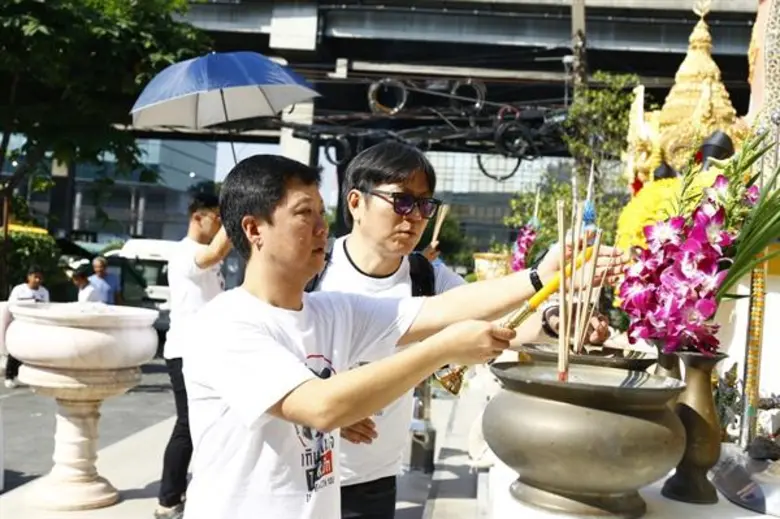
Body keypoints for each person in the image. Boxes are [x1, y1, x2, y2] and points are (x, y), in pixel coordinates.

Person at [179, 154, 624, 519]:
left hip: (361, 485)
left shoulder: (334, 311)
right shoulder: (225, 324)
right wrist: (440, 349)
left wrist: (543, 275)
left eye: (319, 212)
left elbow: (443, 309)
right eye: (303, 214)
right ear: (254, 229)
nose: (320, 227)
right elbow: (321, 406)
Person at [306, 141, 611, 518]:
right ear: (356, 202)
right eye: (402, 201)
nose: (414, 216)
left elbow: (490, 321)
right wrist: (323, 408)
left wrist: (555, 321)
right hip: (302, 473)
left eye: (424, 205)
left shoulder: (426, 276)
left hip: (373, 477)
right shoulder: (313, 269)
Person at [154, 192, 233, 519]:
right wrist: (238, 213)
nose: (220, 224)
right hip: (186, 353)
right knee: (188, 424)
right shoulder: (185, 253)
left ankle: (195, 489)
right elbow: (216, 251)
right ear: (197, 217)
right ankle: (168, 500)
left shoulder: (206, 256)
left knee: (210, 423)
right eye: (217, 218)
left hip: (209, 352)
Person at [4, 265, 50, 388]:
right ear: (29, 277)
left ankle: (28, 376)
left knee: (32, 352)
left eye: (40, 278)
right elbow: (11, 305)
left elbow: (47, 307)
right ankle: (9, 376)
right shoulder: (19, 290)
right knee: (15, 350)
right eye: (35, 277)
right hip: (20, 323)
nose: (38, 280)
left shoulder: (44, 292)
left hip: (36, 325)